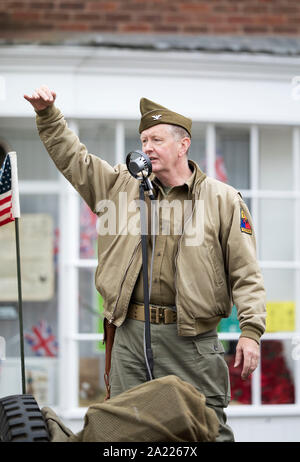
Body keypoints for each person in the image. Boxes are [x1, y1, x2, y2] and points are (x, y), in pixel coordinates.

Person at [24, 86, 266, 442]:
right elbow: (75, 160)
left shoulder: (223, 200)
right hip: (130, 336)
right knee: (122, 432)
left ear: (183, 145)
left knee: (206, 430)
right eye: (143, 140)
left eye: (156, 139)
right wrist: (48, 116)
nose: (147, 147)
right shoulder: (122, 185)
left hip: (191, 341)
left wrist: (251, 332)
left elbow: (246, 273)